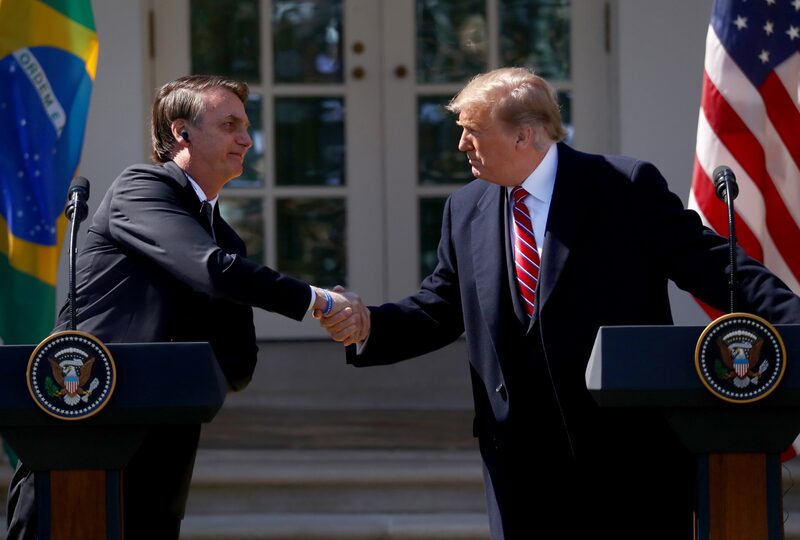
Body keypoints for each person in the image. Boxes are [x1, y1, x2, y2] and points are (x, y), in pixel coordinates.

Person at [319, 67, 800, 539]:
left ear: (523, 135)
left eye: (473, 131)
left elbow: (713, 264)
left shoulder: (622, 186)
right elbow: (438, 307)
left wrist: (793, 321)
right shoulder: (465, 208)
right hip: (520, 465)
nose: (462, 144)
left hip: (625, 457)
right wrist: (367, 325)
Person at [6, 74, 367, 539]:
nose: (246, 139)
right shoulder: (142, 189)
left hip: (162, 458)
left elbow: (238, 365)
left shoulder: (224, 237)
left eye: (246, 126)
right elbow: (211, 270)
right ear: (182, 133)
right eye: (230, 125)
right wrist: (319, 301)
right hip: (85, 432)